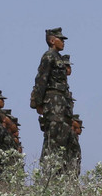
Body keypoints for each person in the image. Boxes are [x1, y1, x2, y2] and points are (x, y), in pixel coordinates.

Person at [30, 28, 72, 165]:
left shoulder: (58, 57)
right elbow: (41, 79)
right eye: (61, 39)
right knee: (53, 137)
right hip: (52, 102)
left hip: (60, 102)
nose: (64, 42)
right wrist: (38, 103)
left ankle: (58, 170)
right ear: (52, 40)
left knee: (62, 136)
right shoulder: (48, 56)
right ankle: (48, 170)